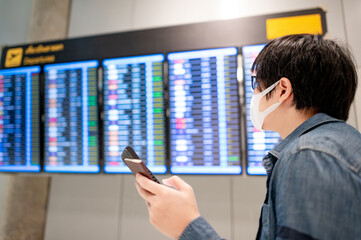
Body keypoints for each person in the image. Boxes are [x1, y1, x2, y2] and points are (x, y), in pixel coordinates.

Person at [135, 34, 361, 240]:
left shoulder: (310, 155)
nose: (253, 95)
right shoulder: (333, 145)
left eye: (256, 84)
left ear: (282, 90)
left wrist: (186, 226)